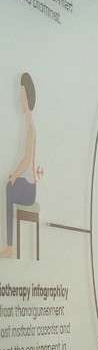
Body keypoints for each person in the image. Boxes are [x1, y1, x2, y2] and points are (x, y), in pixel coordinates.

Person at [2, 73, 41, 260]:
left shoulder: (30, 126)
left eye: (22, 97)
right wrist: (14, 174)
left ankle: (10, 247)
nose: (20, 100)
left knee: (9, 188)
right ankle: (9, 245)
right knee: (9, 186)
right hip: (27, 183)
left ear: (28, 98)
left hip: (29, 189)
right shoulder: (27, 123)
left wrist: (15, 175)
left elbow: (26, 159)